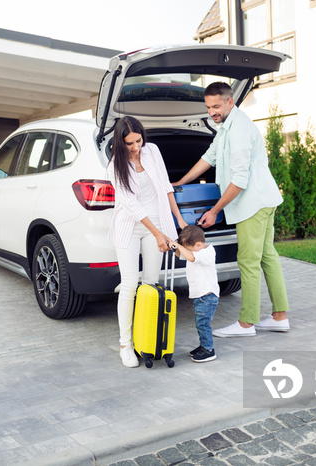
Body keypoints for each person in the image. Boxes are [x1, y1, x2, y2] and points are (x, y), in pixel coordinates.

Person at [173, 81, 290, 337]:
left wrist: (215, 210)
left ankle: (247, 323)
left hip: (253, 204)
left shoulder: (238, 130)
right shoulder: (227, 127)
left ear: (229, 102)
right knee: (267, 256)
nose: (212, 111)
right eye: (208, 107)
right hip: (264, 199)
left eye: (216, 106)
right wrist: (181, 182)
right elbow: (209, 157)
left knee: (248, 262)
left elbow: (239, 179)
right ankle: (279, 317)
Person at [107, 116, 187, 367]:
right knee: (130, 285)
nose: (135, 147)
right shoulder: (114, 167)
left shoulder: (152, 151)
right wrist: (157, 233)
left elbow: (165, 187)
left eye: (138, 140)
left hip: (157, 225)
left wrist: (179, 222)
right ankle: (125, 344)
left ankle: (147, 339)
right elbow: (131, 205)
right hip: (130, 227)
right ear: (120, 143)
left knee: (152, 284)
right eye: (129, 143)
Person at [168, 225, 219, 362]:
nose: (188, 251)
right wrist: (174, 245)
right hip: (200, 295)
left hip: (207, 296)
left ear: (198, 244)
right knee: (200, 323)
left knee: (203, 323)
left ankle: (209, 349)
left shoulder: (206, 252)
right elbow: (183, 254)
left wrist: (182, 248)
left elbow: (190, 256)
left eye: (189, 248)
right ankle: (204, 346)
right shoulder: (196, 251)